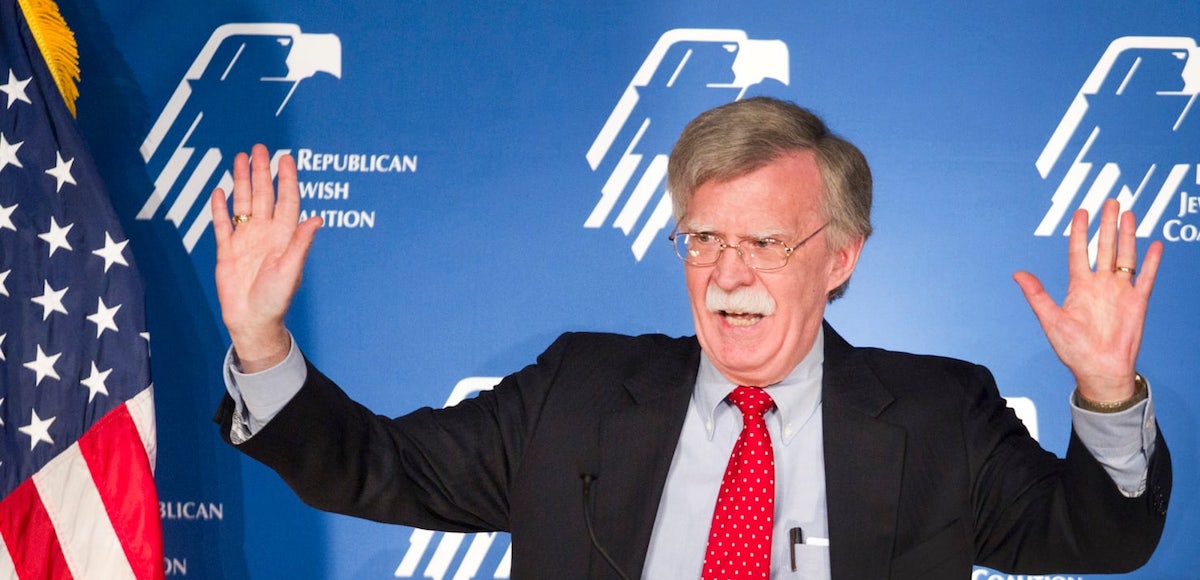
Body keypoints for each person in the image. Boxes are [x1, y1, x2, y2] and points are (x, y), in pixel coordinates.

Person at [211, 97, 1170, 579]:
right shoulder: (578, 391)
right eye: (703, 239)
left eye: (764, 242)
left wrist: (1107, 393)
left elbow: (1103, 534)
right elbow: (372, 467)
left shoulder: (937, 411)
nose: (727, 274)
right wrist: (259, 341)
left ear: (839, 258)